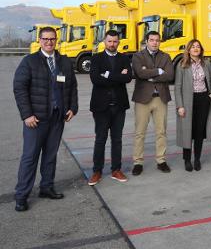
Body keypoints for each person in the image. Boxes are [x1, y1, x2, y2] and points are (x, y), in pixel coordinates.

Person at [13, 26, 78, 212]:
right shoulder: (30, 62)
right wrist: (27, 115)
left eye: (52, 39)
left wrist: (73, 108)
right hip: (36, 119)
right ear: (39, 40)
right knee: (30, 157)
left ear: (56, 40)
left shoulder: (64, 62)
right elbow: (19, 88)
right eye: (45, 39)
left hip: (57, 118)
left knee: (50, 156)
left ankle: (46, 187)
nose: (49, 42)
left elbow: (72, 86)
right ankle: (21, 196)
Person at [88, 30, 133, 186]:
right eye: (109, 41)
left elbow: (128, 78)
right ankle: (97, 171)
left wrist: (107, 74)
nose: (112, 44)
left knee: (117, 139)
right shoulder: (96, 58)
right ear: (104, 42)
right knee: (100, 139)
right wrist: (117, 76)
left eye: (115, 41)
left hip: (119, 106)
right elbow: (95, 79)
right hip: (101, 106)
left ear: (118, 42)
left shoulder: (124, 58)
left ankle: (116, 169)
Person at [131, 31, 174, 175]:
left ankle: (161, 160)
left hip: (160, 98)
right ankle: (138, 162)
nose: (154, 42)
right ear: (147, 41)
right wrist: (158, 71)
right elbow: (140, 73)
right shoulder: (138, 56)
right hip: (143, 99)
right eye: (152, 40)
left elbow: (170, 75)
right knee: (139, 132)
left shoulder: (166, 56)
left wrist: (151, 76)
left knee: (161, 131)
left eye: (157, 40)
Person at [174, 39, 211, 172]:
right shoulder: (182, 64)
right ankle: (187, 160)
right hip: (188, 101)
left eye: (198, 46)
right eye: (193, 47)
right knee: (188, 131)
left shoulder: (206, 63)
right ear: (189, 49)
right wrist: (180, 106)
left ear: (201, 49)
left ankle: (197, 159)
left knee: (199, 131)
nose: (196, 49)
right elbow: (177, 87)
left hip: (203, 99)